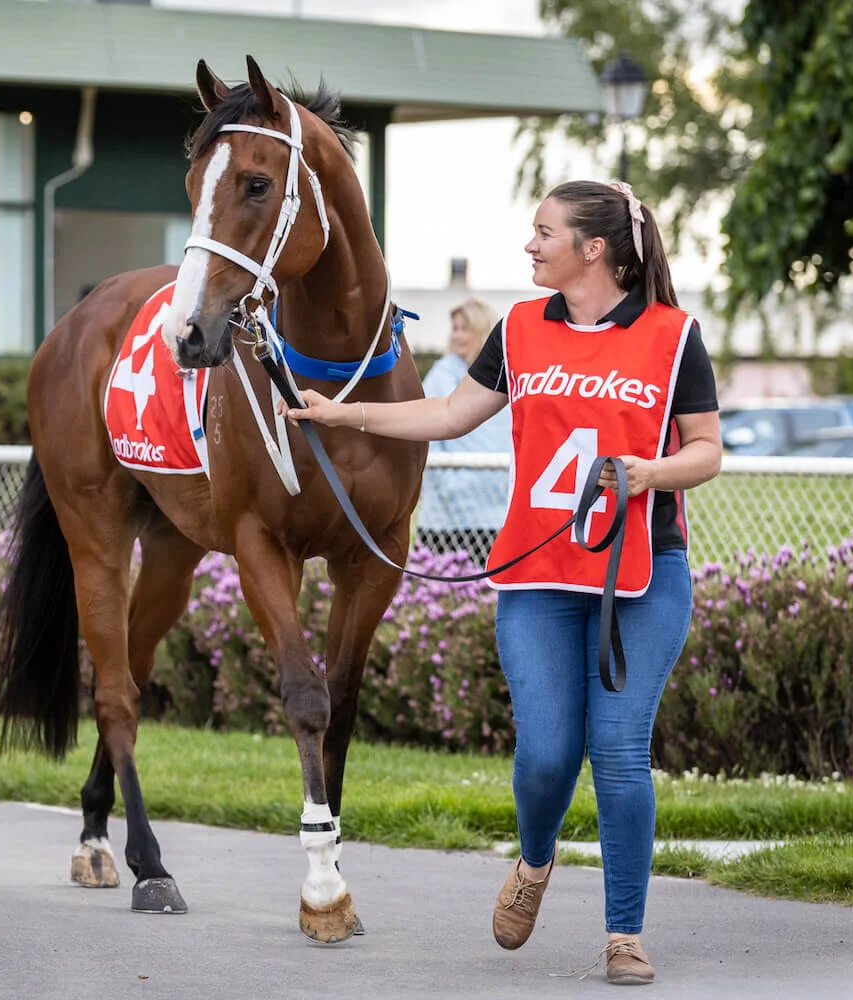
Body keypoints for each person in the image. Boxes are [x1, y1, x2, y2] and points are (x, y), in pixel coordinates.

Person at [282, 180, 721, 985]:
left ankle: (624, 934)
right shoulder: (519, 329)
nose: (530, 245)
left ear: (594, 249)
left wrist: (648, 473)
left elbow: (707, 451)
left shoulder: (673, 335)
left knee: (618, 751)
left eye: (544, 232)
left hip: (642, 573)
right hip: (539, 573)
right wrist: (342, 413)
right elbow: (450, 414)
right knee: (547, 754)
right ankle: (534, 860)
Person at [416, 299, 511, 567]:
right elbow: (428, 431)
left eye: (465, 328)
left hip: (496, 512)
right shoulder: (440, 375)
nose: (457, 335)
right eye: (455, 328)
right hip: (445, 515)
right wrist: (452, 486)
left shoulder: (506, 373)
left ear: (482, 330)